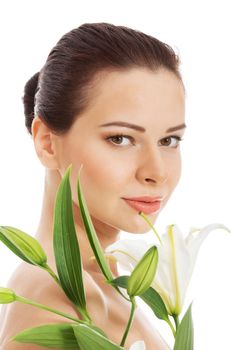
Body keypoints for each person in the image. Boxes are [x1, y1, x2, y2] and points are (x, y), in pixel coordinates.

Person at [0, 22, 186, 349]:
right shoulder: (59, 303)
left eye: (169, 140)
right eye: (121, 138)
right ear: (46, 143)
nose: (157, 172)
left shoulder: (104, 286)